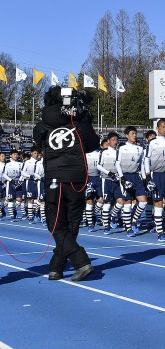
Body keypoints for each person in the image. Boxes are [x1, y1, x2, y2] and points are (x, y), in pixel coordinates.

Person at [33, 86, 99, 281]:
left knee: (55, 223)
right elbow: (93, 144)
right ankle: (57, 267)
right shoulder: (78, 120)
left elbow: (38, 142)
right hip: (77, 177)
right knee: (71, 223)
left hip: (55, 177)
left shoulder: (43, 125)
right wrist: (83, 118)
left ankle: (81, 261)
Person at [143, 119, 165, 242]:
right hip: (155, 175)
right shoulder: (152, 143)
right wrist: (147, 175)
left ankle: (157, 219)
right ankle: (160, 232)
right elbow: (146, 159)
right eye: (163, 127)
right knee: (158, 204)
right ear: (158, 128)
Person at [115, 126, 147, 237]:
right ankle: (128, 228)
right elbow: (117, 163)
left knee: (143, 201)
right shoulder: (122, 148)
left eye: (135, 133)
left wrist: (145, 179)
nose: (134, 135)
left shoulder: (140, 149)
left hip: (136, 176)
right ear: (126, 135)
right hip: (126, 176)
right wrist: (122, 177)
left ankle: (134, 219)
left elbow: (142, 165)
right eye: (132, 133)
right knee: (127, 203)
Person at [3, 149, 24, 221]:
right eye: (14, 154)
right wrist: (11, 180)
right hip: (10, 183)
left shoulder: (20, 164)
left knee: (19, 199)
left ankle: (14, 209)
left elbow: (22, 173)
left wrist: (20, 180)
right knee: (10, 199)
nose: (15, 156)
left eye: (16, 154)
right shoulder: (7, 164)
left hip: (18, 183)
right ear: (11, 155)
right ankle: (12, 216)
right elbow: (4, 174)